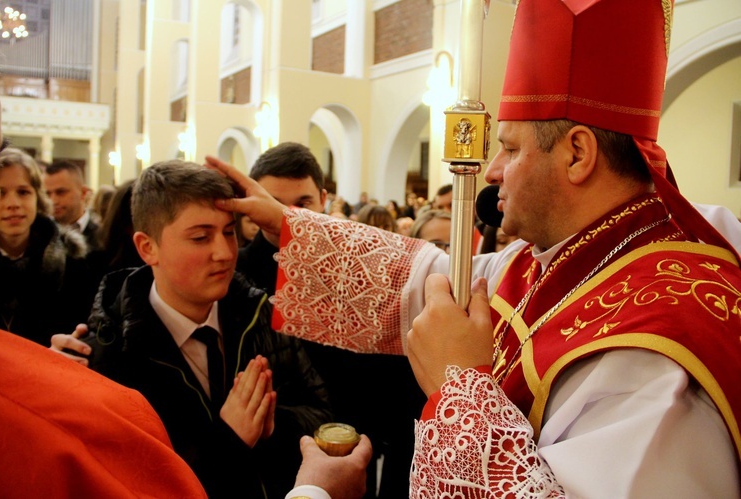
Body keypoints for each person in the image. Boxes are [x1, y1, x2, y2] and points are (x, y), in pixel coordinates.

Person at [206, 1, 741, 496]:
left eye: (510, 148)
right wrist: (291, 226)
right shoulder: (567, 255)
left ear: (578, 153)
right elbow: (433, 278)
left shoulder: (654, 347)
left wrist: (458, 389)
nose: (492, 172)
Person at [52, 160, 331, 498]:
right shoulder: (109, 354)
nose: (224, 253)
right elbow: (124, 482)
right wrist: (229, 438)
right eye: (200, 237)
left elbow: (319, 412)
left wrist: (273, 426)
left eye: (229, 232)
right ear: (147, 247)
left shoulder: (258, 312)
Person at [234, 141, 425, 498]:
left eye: (302, 204)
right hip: (269, 461)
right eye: (274, 205)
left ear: (324, 199)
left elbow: (391, 374)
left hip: (354, 451)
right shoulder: (235, 274)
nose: (288, 217)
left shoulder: (361, 268)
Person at [0, 147, 95, 345]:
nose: (13, 203)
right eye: (1, 193)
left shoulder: (72, 261)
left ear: (37, 197)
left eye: (23, 192)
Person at [43, 159, 101, 252]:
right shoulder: (40, 236)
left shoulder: (104, 237)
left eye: (61, 192)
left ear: (83, 192)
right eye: (47, 194)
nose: (53, 201)